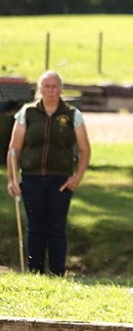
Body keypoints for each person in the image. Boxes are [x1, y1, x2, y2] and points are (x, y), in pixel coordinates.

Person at [5, 71, 90, 276]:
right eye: (46, 86)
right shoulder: (27, 113)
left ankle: (57, 272)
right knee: (35, 227)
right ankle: (35, 273)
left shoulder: (72, 115)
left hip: (60, 180)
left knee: (56, 227)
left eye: (54, 86)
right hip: (32, 179)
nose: (51, 90)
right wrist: (12, 179)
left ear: (60, 89)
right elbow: (14, 150)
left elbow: (85, 150)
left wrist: (76, 178)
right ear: (39, 89)